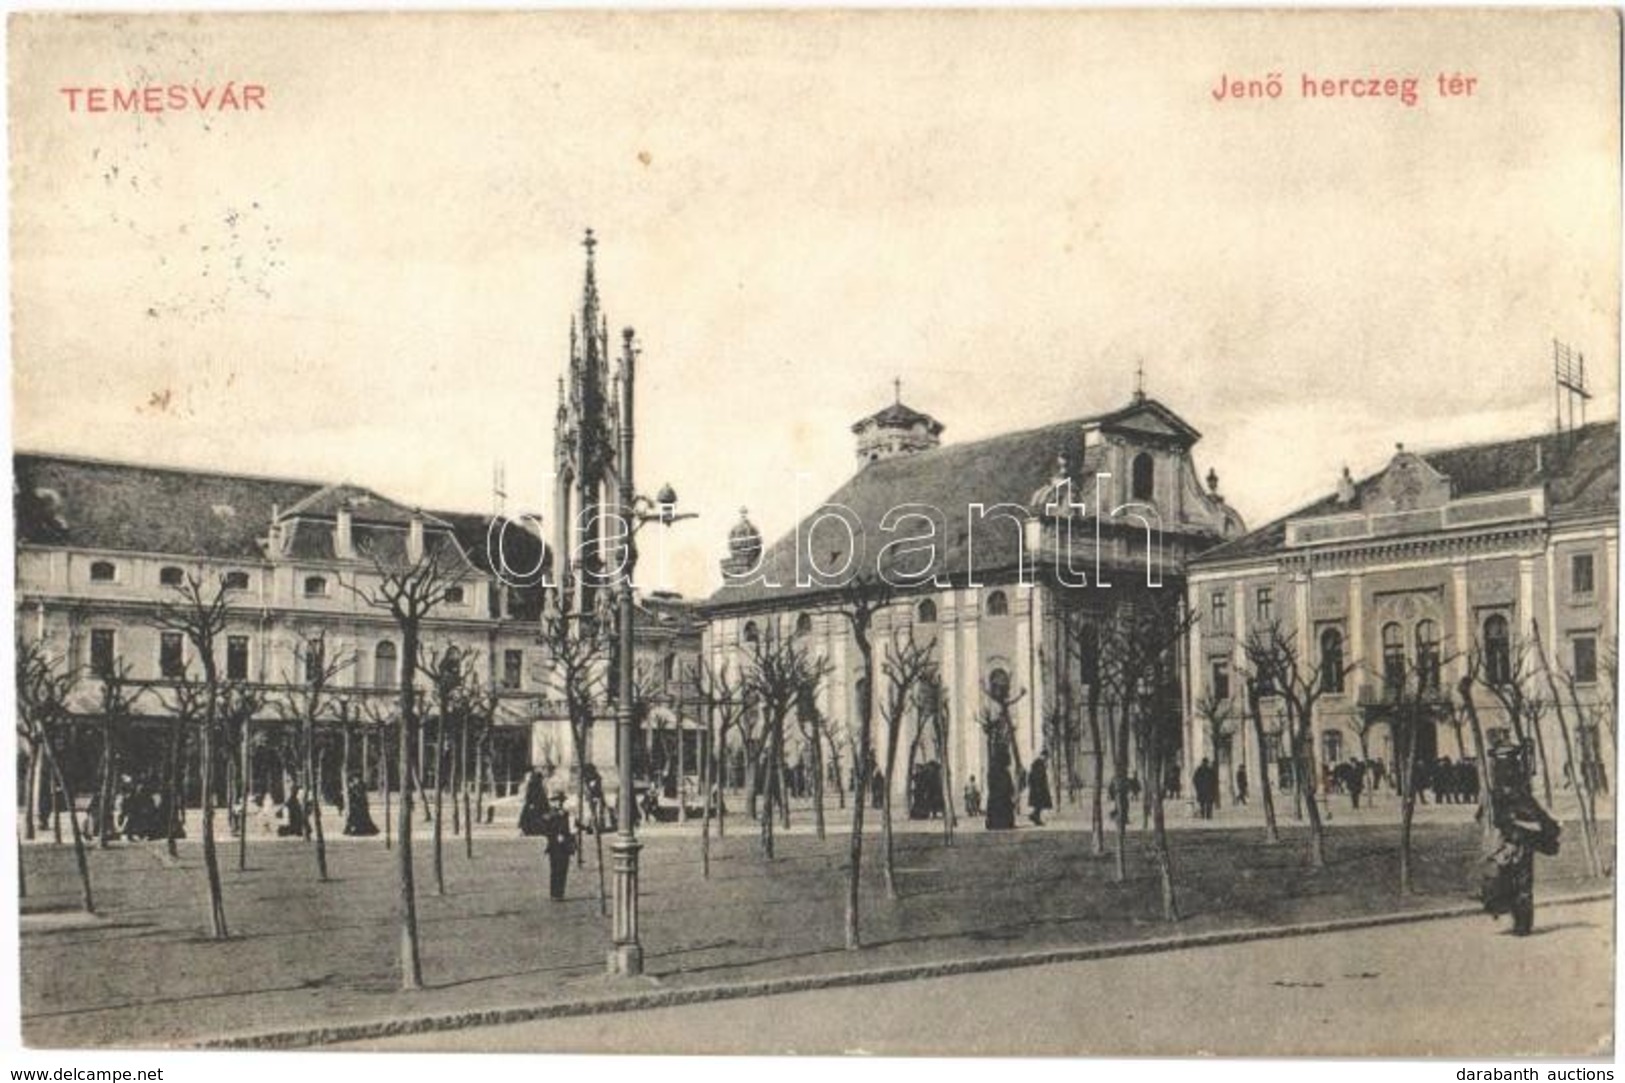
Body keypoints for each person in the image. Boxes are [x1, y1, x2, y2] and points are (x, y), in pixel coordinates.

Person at [1482, 745, 1560, 935]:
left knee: (1520, 881)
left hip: (1518, 840)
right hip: (1512, 839)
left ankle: (1522, 924)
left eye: (1504, 760)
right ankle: (1520, 922)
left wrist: (1515, 822)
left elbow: (1527, 813)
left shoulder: (1510, 788)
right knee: (1514, 881)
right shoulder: (1506, 787)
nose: (1502, 766)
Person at [541, 788, 576, 901]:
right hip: (554, 846)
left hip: (565, 846)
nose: (558, 803)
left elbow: (572, 827)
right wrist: (555, 836)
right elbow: (545, 830)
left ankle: (560, 893)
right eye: (556, 801)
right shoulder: (549, 815)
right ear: (552, 802)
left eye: (560, 801)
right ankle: (554, 893)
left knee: (563, 869)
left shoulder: (566, 814)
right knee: (555, 869)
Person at [517, 770, 547, 837]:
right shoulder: (538, 787)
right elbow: (542, 798)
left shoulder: (532, 786)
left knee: (528, 819)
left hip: (531, 806)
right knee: (534, 819)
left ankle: (526, 830)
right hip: (535, 807)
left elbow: (528, 797)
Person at [1027, 753, 1053, 826]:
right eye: (1046, 758)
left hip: (1037, 788)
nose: (1047, 760)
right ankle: (1035, 816)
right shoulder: (1040, 764)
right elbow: (1039, 777)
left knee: (1039, 805)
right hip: (1039, 789)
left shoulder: (1037, 764)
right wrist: (1039, 787)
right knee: (1039, 804)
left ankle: (1035, 817)